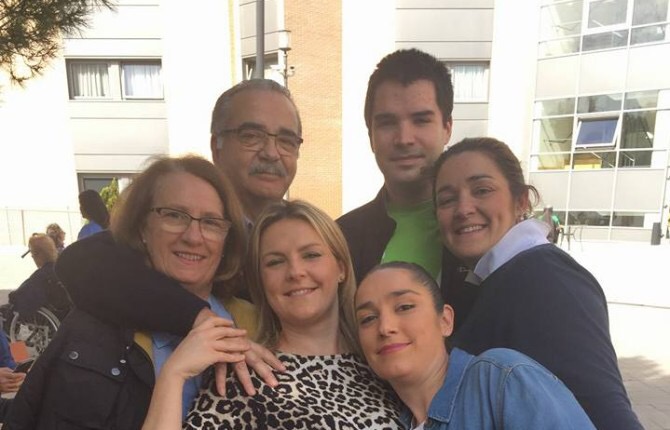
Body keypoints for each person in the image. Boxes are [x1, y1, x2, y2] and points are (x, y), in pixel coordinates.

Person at [55, 79, 302, 390]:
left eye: (287, 140)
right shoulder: (164, 238)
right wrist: (198, 318)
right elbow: (81, 262)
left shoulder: (306, 236)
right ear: (217, 145)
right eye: (251, 136)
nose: (271, 152)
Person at [4, 155, 260, 430]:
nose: (193, 237)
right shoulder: (91, 326)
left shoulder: (258, 327)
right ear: (142, 228)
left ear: (228, 237)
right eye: (174, 215)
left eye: (211, 222)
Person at [432, 137, 642, 430]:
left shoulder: (548, 279)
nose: (463, 208)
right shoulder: (492, 279)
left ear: (521, 201)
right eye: (447, 199)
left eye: (482, 190)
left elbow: (606, 413)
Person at [142, 200, 402, 429]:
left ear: (341, 268)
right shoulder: (245, 377)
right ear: (261, 282)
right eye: (275, 262)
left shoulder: (382, 361)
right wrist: (174, 373)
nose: (295, 272)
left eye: (311, 255)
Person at [356, 261, 596, 429]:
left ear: (445, 320)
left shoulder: (500, 380)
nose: (385, 327)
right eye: (367, 318)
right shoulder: (387, 421)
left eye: (405, 307)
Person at [336, 49, 468, 328]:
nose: (404, 138)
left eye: (421, 120)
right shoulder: (340, 239)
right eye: (387, 123)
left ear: (447, 128)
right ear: (370, 135)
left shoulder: (483, 228)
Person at [9, 233, 71, 322]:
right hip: (66, 315)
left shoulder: (42, 276)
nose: (32, 257)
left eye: (33, 254)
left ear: (37, 255)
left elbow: (21, 296)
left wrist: (12, 296)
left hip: (47, 318)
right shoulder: (62, 269)